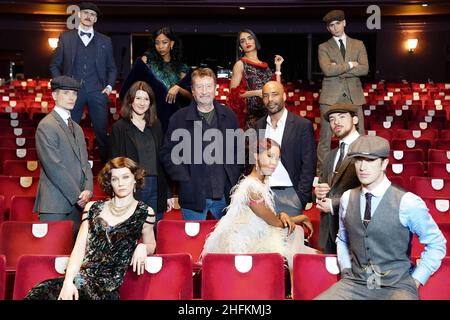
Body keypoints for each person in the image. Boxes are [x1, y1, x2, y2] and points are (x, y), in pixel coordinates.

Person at [315, 136, 447, 300]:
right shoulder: (347, 198)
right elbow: (342, 239)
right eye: (358, 160)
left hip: (397, 287)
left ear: (384, 163)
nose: (362, 167)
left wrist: (416, 280)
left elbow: (437, 244)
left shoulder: (408, 202)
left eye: (370, 160)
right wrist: (346, 269)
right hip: (355, 283)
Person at [25, 157, 156, 300]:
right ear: (109, 183)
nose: (121, 183)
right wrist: (68, 282)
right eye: (115, 179)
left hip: (106, 290)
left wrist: (143, 247)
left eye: (125, 177)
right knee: (40, 292)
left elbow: (152, 245)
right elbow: (79, 249)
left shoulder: (145, 212)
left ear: (135, 179)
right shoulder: (93, 208)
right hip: (81, 281)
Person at [201, 138, 317, 269]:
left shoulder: (261, 183)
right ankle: (296, 284)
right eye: (269, 156)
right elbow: (275, 223)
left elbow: (269, 218)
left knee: (299, 240)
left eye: (277, 158)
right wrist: (303, 217)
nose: (274, 163)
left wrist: (283, 214)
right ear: (255, 156)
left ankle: (301, 278)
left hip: (257, 236)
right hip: (243, 246)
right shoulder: (252, 188)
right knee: (297, 233)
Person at [160, 68, 241, 220]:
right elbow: (167, 154)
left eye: (208, 86)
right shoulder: (178, 118)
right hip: (193, 195)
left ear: (215, 89)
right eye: (199, 87)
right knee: (193, 242)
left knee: (225, 242)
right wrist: (184, 177)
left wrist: (233, 175)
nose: (204, 91)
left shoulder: (229, 116)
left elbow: (238, 150)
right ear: (193, 90)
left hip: (225, 196)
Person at [50, 2, 117, 164]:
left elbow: (112, 68)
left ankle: (106, 170)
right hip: (71, 93)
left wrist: (108, 88)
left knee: (102, 132)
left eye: (92, 15)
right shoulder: (66, 38)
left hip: (97, 91)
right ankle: (67, 164)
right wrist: (61, 87)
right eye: (85, 13)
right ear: (79, 15)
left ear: (95, 19)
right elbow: (54, 65)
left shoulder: (105, 41)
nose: (88, 16)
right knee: (68, 130)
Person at [34, 76, 93, 240]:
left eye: (74, 94)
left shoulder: (78, 129)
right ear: (54, 95)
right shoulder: (46, 125)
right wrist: (78, 196)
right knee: (52, 257)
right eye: (66, 93)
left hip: (78, 205)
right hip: (56, 205)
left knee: (72, 259)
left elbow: (85, 164)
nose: (71, 98)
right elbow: (54, 167)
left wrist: (88, 189)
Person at [254, 81, 316, 233]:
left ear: (284, 96)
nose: (270, 99)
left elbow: (309, 164)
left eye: (275, 94)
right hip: (264, 195)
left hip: (291, 195)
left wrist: (301, 197)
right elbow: (255, 161)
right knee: (266, 246)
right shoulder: (258, 126)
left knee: (289, 246)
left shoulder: (302, 125)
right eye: (266, 96)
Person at [110, 81, 171, 224]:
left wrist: (167, 193)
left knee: (155, 231)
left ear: (151, 103)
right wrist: (116, 193)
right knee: (132, 231)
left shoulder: (156, 125)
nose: (142, 103)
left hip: (156, 186)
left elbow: (163, 161)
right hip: (133, 186)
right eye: (138, 98)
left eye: (146, 99)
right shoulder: (119, 128)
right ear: (130, 100)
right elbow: (113, 164)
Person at [317, 9, 368, 176]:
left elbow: (365, 69)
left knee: (359, 136)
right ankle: (324, 175)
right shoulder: (323, 47)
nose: (335, 28)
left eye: (337, 23)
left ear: (344, 23)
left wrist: (337, 68)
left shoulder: (358, 44)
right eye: (331, 25)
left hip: (354, 95)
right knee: (325, 138)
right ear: (328, 29)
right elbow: (327, 70)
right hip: (330, 97)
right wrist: (352, 65)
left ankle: (356, 172)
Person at [120, 26, 192, 133]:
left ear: (171, 44)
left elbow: (191, 97)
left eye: (164, 42)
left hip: (172, 116)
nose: (160, 46)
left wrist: (177, 88)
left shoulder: (182, 68)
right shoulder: (147, 62)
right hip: (150, 114)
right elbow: (131, 85)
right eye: (157, 43)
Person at [314, 102, 361, 254]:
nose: (336, 122)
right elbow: (323, 187)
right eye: (332, 119)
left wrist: (334, 204)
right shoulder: (331, 155)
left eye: (342, 116)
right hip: (329, 231)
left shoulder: (366, 149)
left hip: (355, 233)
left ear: (355, 120)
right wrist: (318, 193)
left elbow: (370, 194)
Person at [227, 29, 284, 129]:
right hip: (251, 120)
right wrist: (257, 92)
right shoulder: (240, 64)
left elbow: (277, 90)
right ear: (240, 46)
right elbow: (233, 95)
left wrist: (278, 68)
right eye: (243, 41)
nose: (247, 42)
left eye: (250, 38)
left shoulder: (265, 66)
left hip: (268, 116)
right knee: (252, 144)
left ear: (255, 41)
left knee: (269, 144)